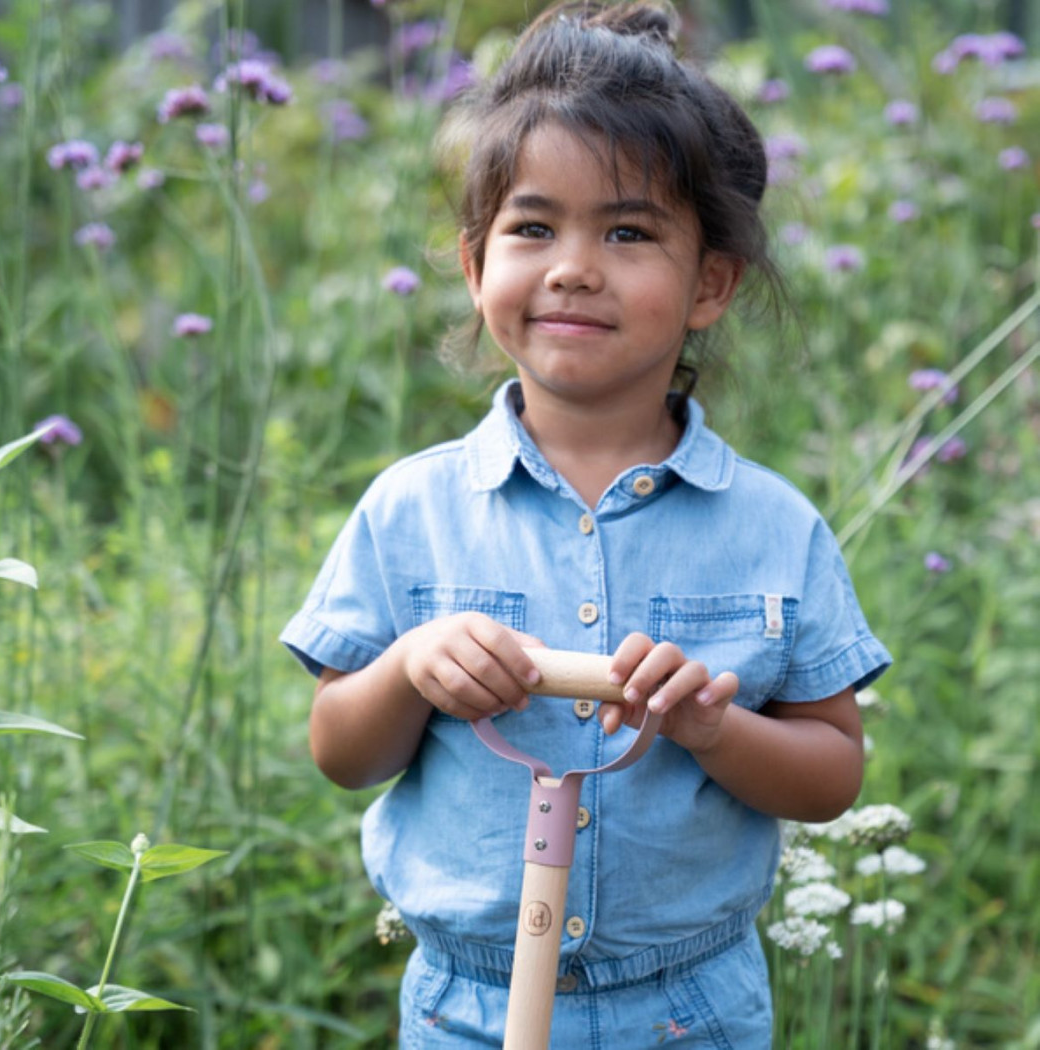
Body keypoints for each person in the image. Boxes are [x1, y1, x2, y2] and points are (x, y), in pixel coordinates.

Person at [282, 2, 891, 1045]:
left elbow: (832, 773)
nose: (572, 266)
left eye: (627, 232)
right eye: (533, 228)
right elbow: (342, 750)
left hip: (690, 1010)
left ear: (710, 284)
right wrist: (412, 666)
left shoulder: (773, 529)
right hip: (465, 1009)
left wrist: (711, 727)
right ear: (475, 268)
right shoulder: (412, 510)